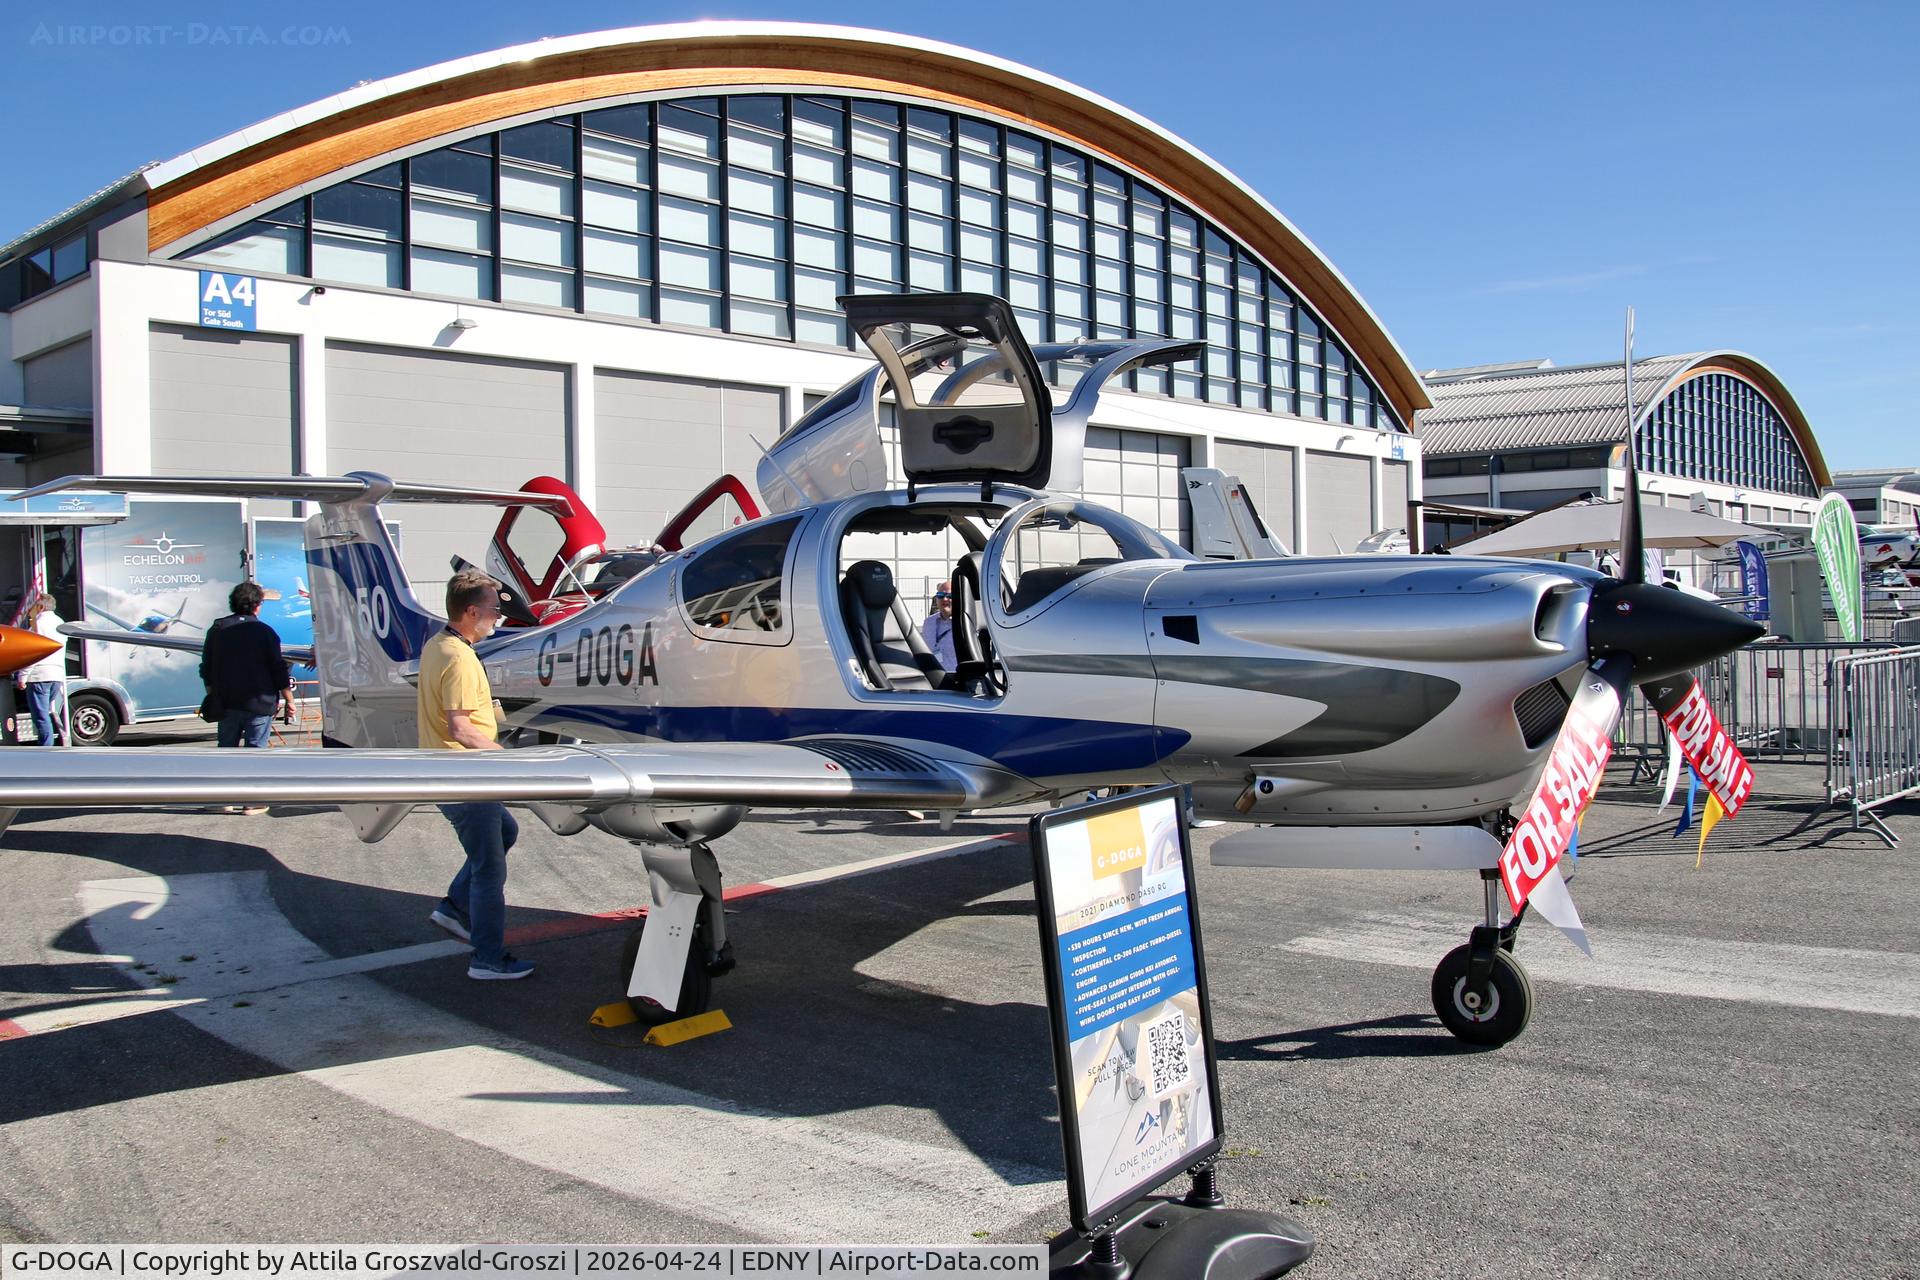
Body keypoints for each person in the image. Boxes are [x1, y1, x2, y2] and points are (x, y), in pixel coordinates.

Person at [421, 568, 533, 981]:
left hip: (446, 773)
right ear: (471, 611)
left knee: (506, 832)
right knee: (490, 871)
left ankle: (453, 907)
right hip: (466, 776)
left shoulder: (437, 645)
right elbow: (461, 728)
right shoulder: (461, 659)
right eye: (492, 609)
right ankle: (486, 958)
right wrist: (509, 758)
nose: (498, 617)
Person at [201, 582, 297, 813]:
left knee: (226, 749)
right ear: (257, 605)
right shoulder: (265, 632)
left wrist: (212, 693)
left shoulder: (217, 629)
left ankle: (223, 800)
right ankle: (252, 801)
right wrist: (289, 700)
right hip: (259, 702)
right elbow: (277, 669)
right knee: (255, 750)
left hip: (227, 701)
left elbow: (206, 666)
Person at [15, 593, 67, 747]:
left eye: (34, 606)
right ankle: (48, 744)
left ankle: (45, 749)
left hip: (39, 676)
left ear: (41, 607)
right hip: (56, 675)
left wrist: (22, 677)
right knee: (46, 714)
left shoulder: (37, 626)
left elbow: (32, 654)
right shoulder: (60, 623)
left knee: (41, 716)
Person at [921, 582, 957, 671]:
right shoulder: (928, 623)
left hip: (958, 678)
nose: (945, 599)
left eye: (949, 596)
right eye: (940, 595)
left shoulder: (965, 623)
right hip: (934, 677)